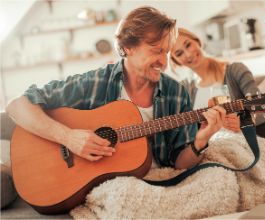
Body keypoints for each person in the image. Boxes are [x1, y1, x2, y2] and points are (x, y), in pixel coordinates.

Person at [5, 7, 226, 170]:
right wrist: (68, 138)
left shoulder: (176, 93)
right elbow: (17, 105)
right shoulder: (95, 83)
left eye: (166, 53)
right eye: (156, 51)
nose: (164, 62)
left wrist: (201, 139)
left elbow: (180, 163)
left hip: (156, 181)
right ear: (128, 47)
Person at [170, 28, 265, 139]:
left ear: (197, 41)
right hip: (216, 148)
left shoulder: (235, 70)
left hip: (249, 139)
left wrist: (244, 121)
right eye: (179, 53)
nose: (188, 54)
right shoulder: (184, 88)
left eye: (188, 45)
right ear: (176, 61)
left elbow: (261, 108)